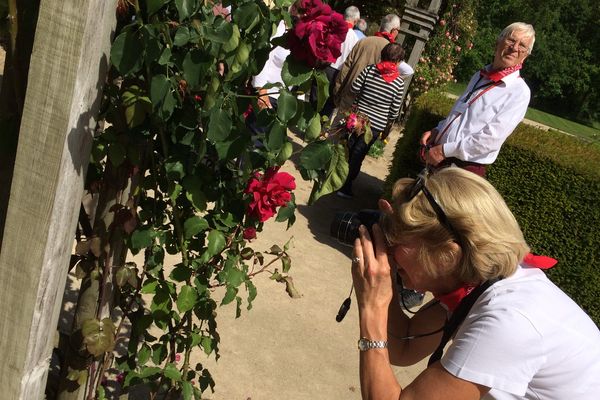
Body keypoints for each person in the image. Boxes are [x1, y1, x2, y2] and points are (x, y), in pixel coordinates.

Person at [350, 167, 600, 399]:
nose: (389, 249)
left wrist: (373, 308)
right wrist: (385, 287)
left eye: (399, 240)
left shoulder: (507, 319)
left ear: (447, 254)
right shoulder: (485, 282)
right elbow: (404, 346)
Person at [421, 22, 535, 177]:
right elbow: (459, 113)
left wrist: (443, 150)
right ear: (498, 42)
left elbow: (490, 140)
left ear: (525, 55)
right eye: (511, 40)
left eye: (522, 45)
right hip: (438, 157)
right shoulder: (480, 75)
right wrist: (438, 130)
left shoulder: (519, 91)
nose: (514, 48)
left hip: (463, 169)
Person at [337, 43, 405, 199]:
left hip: (358, 119)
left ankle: (336, 178)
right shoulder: (399, 83)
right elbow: (394, 112)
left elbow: (354, 88)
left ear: (382, 55)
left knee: (347, 148)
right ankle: (345, 186)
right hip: (375, 126)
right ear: (399, 61)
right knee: (358, 154)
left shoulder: (369, 70)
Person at [333, 14, 414, 114]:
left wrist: (337, 92)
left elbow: (346, 68)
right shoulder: (392, 52)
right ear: (394, 31)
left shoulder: (363, 41)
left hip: (348, 98)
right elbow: (409, 71)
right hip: (370, 106)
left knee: (337, 128)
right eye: (398, 30)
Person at [318, 5, 361, 117]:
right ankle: (321, 128)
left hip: (324, 67)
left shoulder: (333, 30)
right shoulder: (355, 39)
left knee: (316, 97)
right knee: (330, 103)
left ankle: (310, 125)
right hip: (339, 73)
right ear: (355, 21)